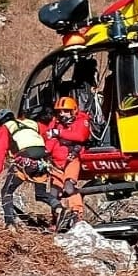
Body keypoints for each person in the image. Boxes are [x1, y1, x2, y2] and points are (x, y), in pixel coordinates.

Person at [0, 108, 52, 228]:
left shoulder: (5, 128)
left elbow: (0, 149)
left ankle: (10, 223)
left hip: (25, 160)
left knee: (6, 191)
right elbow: (48, 137)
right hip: (41, 161)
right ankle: (60, 208)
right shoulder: (32, 124)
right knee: (41, 194)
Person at [43, 96, 91, 228]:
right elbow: (50, 140)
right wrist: (44, 153)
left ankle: (77, 214)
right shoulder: (55, 123)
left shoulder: (82, 121)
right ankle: (56, 219)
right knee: (53, 193)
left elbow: (80, 136)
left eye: (65, 111)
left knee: (69, 187)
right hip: (56, 163)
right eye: (60, 111)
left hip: (71, 160)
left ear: (73, 111)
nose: (62, 114)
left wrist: (59, 133)